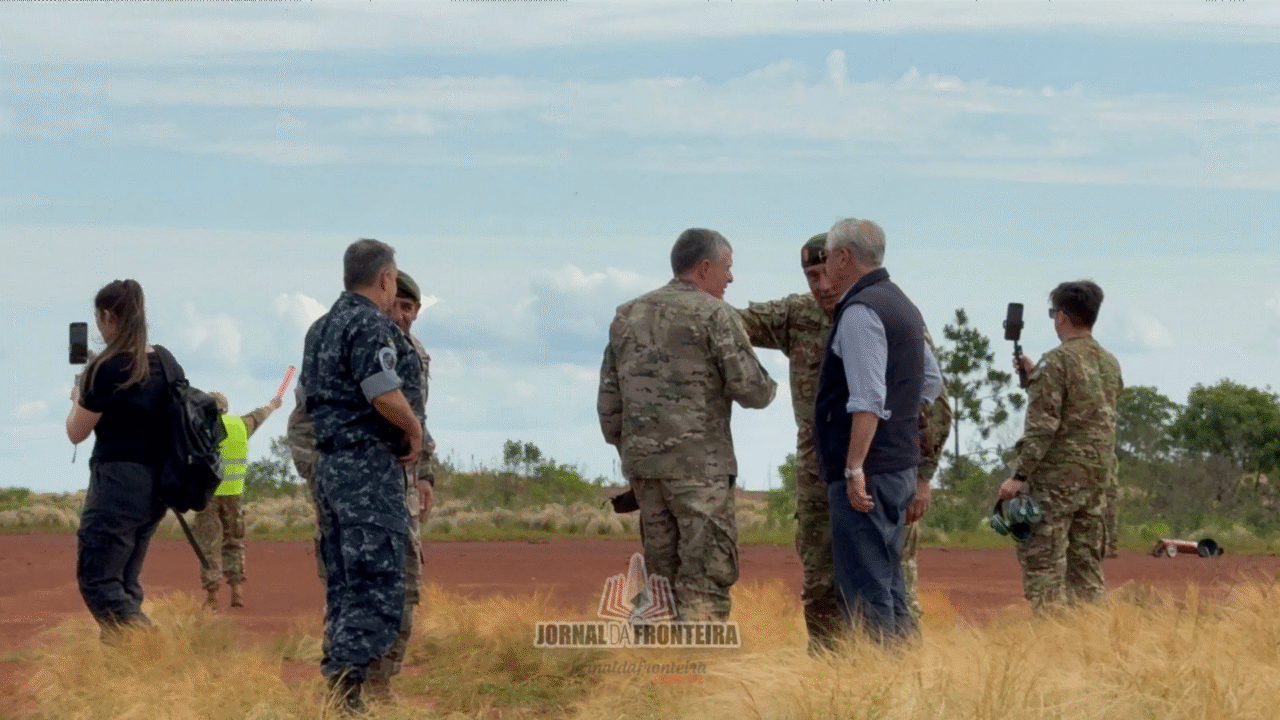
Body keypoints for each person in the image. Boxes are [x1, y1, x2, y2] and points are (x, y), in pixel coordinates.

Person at [736, 233, 951, 652]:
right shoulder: (796, 314)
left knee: (889, 582)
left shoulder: (879, 311)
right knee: (821, 587)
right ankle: (831, 681)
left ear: (844, 263)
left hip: (877, 471)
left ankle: (897, 678)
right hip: (820, 477)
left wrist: (923, 475)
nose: (821, 285)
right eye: (811, 275)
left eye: (826, 272)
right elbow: (725, 321)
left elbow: (934, 402)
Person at [597, 228, 777, 622]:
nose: (731, 278)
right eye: (728, 267)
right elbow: (753, 390)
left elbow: (609, 405)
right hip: (701, 472)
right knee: (705, 583)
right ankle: (698, 676)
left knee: (660, 581)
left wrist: (634, 453)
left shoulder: (628, 315)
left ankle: (649, 674)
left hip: (646, 473)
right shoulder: (716, 314)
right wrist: (773, 385)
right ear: (706, 266)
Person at [300, 238, 424, 714]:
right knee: (377, 583)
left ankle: (340, 682)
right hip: (367, 468)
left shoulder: (321, 327)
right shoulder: (370, 324)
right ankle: (346, 691)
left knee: (345, 584)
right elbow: (381, 390)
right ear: (385, 279)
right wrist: (413, 430)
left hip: (331, 466)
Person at [814, 218, 943, 644]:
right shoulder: (903, 305)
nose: (826, 266)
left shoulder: (860, 311)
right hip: (900, 467)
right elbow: (931, 383)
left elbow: (867, 399)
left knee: (865, 591)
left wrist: (854, 467)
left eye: (828, 257)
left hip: (869, 472)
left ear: (844, 258)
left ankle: (878, 688)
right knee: (889, 582)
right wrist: (901, 420)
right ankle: (906, 683)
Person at [998, 280, 1123, 612]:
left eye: (1054, 313)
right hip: (1097, 483)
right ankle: (1095, 643)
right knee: (1087, 573)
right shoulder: (1109, 362)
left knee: (1044, 573)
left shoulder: (1055, 363)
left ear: (1063, 317)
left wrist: (1019, 475)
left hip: (1056, 483)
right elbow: (1084, 414)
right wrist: (1034, 376)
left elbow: (1044, 427)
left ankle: (1053, 644)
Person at [65, 279, 173, 640]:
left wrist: (79, 395)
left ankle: (149, 642)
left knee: (98, 580)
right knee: (125, 580)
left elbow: (76, 432)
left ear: (108, 316)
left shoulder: (107, 368)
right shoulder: (167, 362)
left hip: (118, 483)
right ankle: (125, 669)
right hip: (159, 485)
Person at [362, 269, 437, 704]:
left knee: (406, 586)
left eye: (410, 309)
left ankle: (382, 686)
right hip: (356, 491)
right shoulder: (355, 344)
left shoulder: (416, 355)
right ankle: (349, 688)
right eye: (396, 306)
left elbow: (420, 420)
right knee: (359, 589)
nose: (402, 316)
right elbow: (306, 425)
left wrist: (425, 474)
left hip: (402, 490)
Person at [194, 391, 282, 610]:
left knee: (208, 547)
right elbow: (259, 415)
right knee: (233, 542)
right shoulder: (241, 425)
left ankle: (212, 596)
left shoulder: (200, 429)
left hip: (208, 496)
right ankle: (236, 591)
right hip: (234, 494)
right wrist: (272, 405)